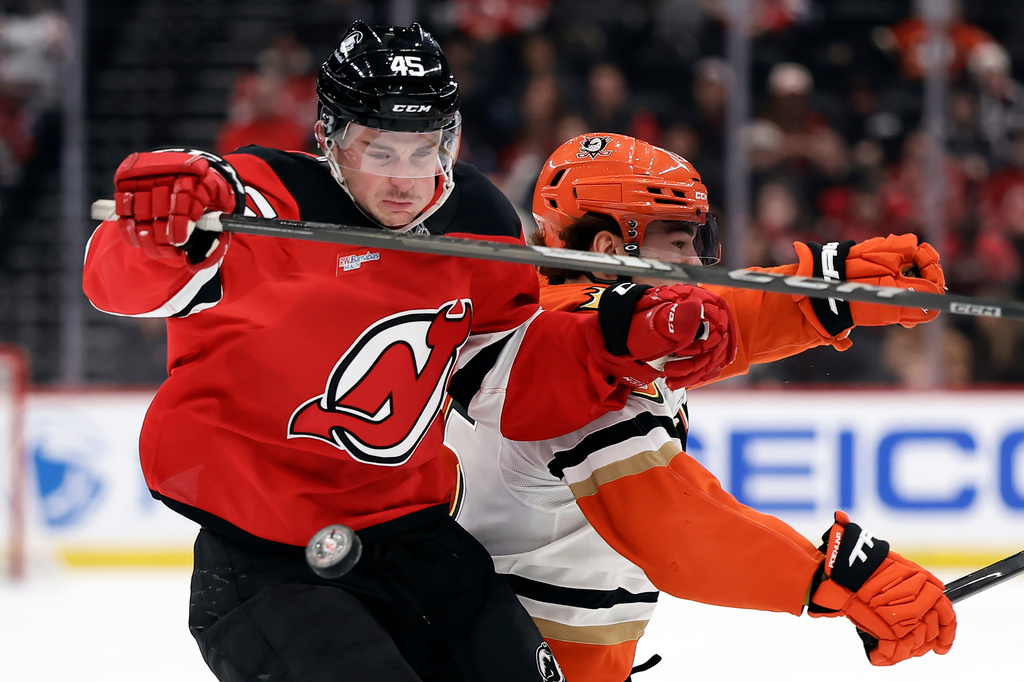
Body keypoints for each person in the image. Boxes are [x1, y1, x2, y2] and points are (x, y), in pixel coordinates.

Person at [80, 24, 738, 682]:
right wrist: (154, 231)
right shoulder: (261, 201)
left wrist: (621, 336)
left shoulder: (473, 218)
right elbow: (120, 285)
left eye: (423, 150)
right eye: (379, 152)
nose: (405, 181)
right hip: (271, 561)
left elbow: (507, 378)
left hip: (416, 541)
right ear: (330, 139)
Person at [443, 133, 955, 681]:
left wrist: (821, 295)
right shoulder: (585, 369)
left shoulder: (572, 318)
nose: (698, 262)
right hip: (523, 654)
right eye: (679, 243)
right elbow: (674, 530)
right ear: (610, 253)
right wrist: (830, 575)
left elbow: (718, 320)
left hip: (511, 638)